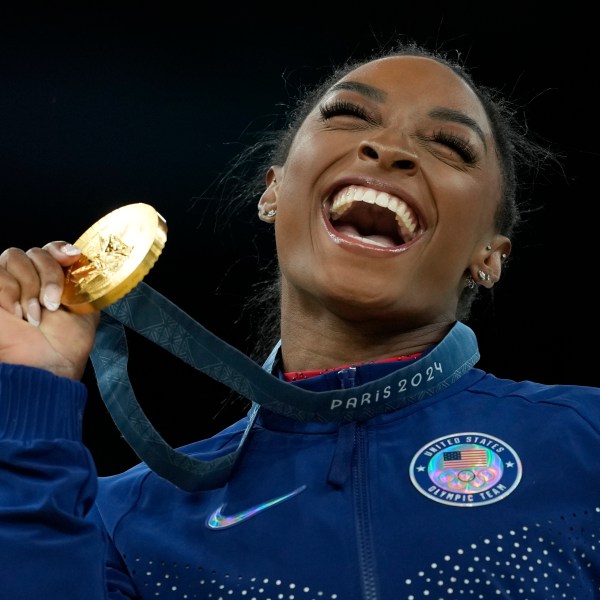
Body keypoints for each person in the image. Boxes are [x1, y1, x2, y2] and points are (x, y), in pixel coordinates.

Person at [0, 40, 598, 600]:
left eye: (451, 146)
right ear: (274, 194)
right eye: (349, 116)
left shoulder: (584, 441)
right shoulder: (127, 520)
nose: (388, 150)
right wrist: (30, 395)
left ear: (488, 256)